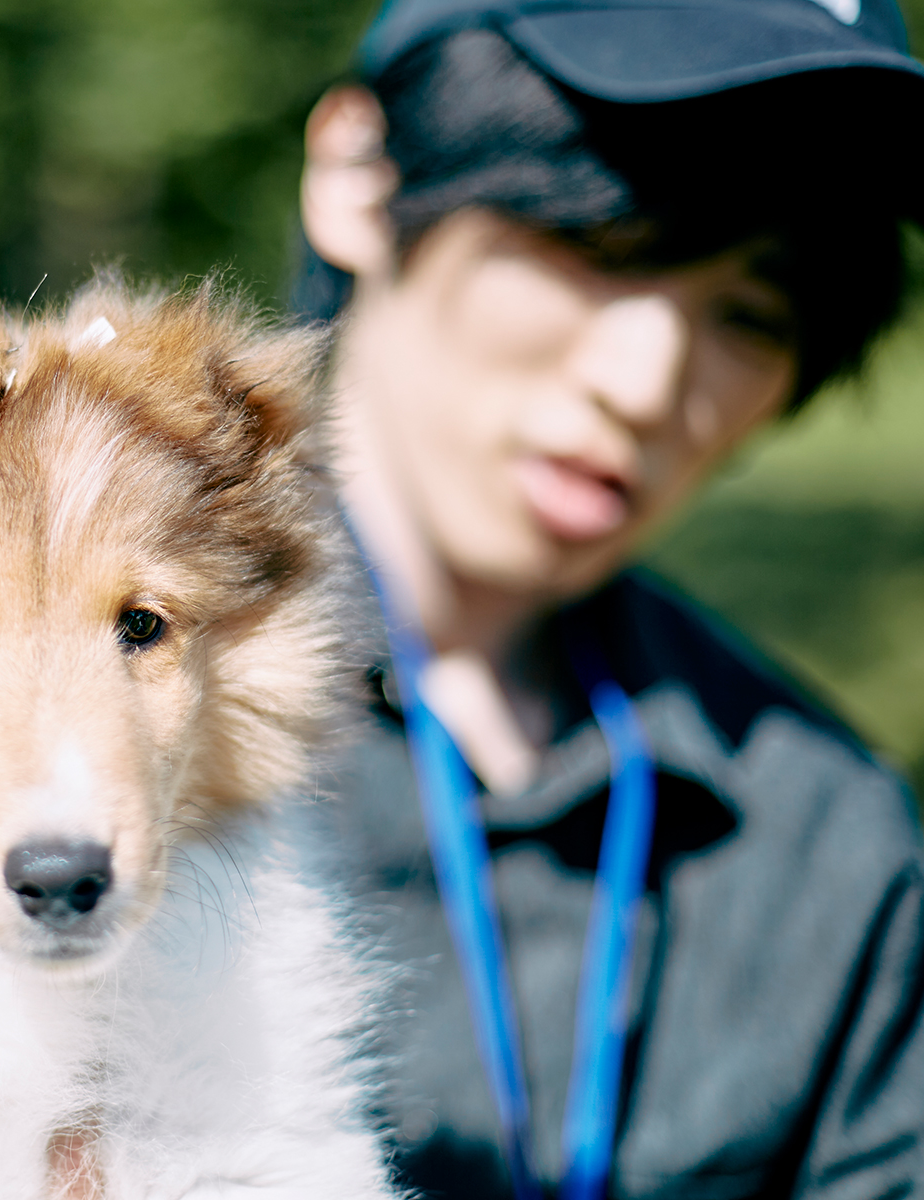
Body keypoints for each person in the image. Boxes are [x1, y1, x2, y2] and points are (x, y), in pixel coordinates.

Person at [291, 2, 924, 1198]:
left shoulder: (824, 849)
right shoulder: (39, 717)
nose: (648, 382)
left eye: (751, 315)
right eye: (603, 241)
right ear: (362, 177)